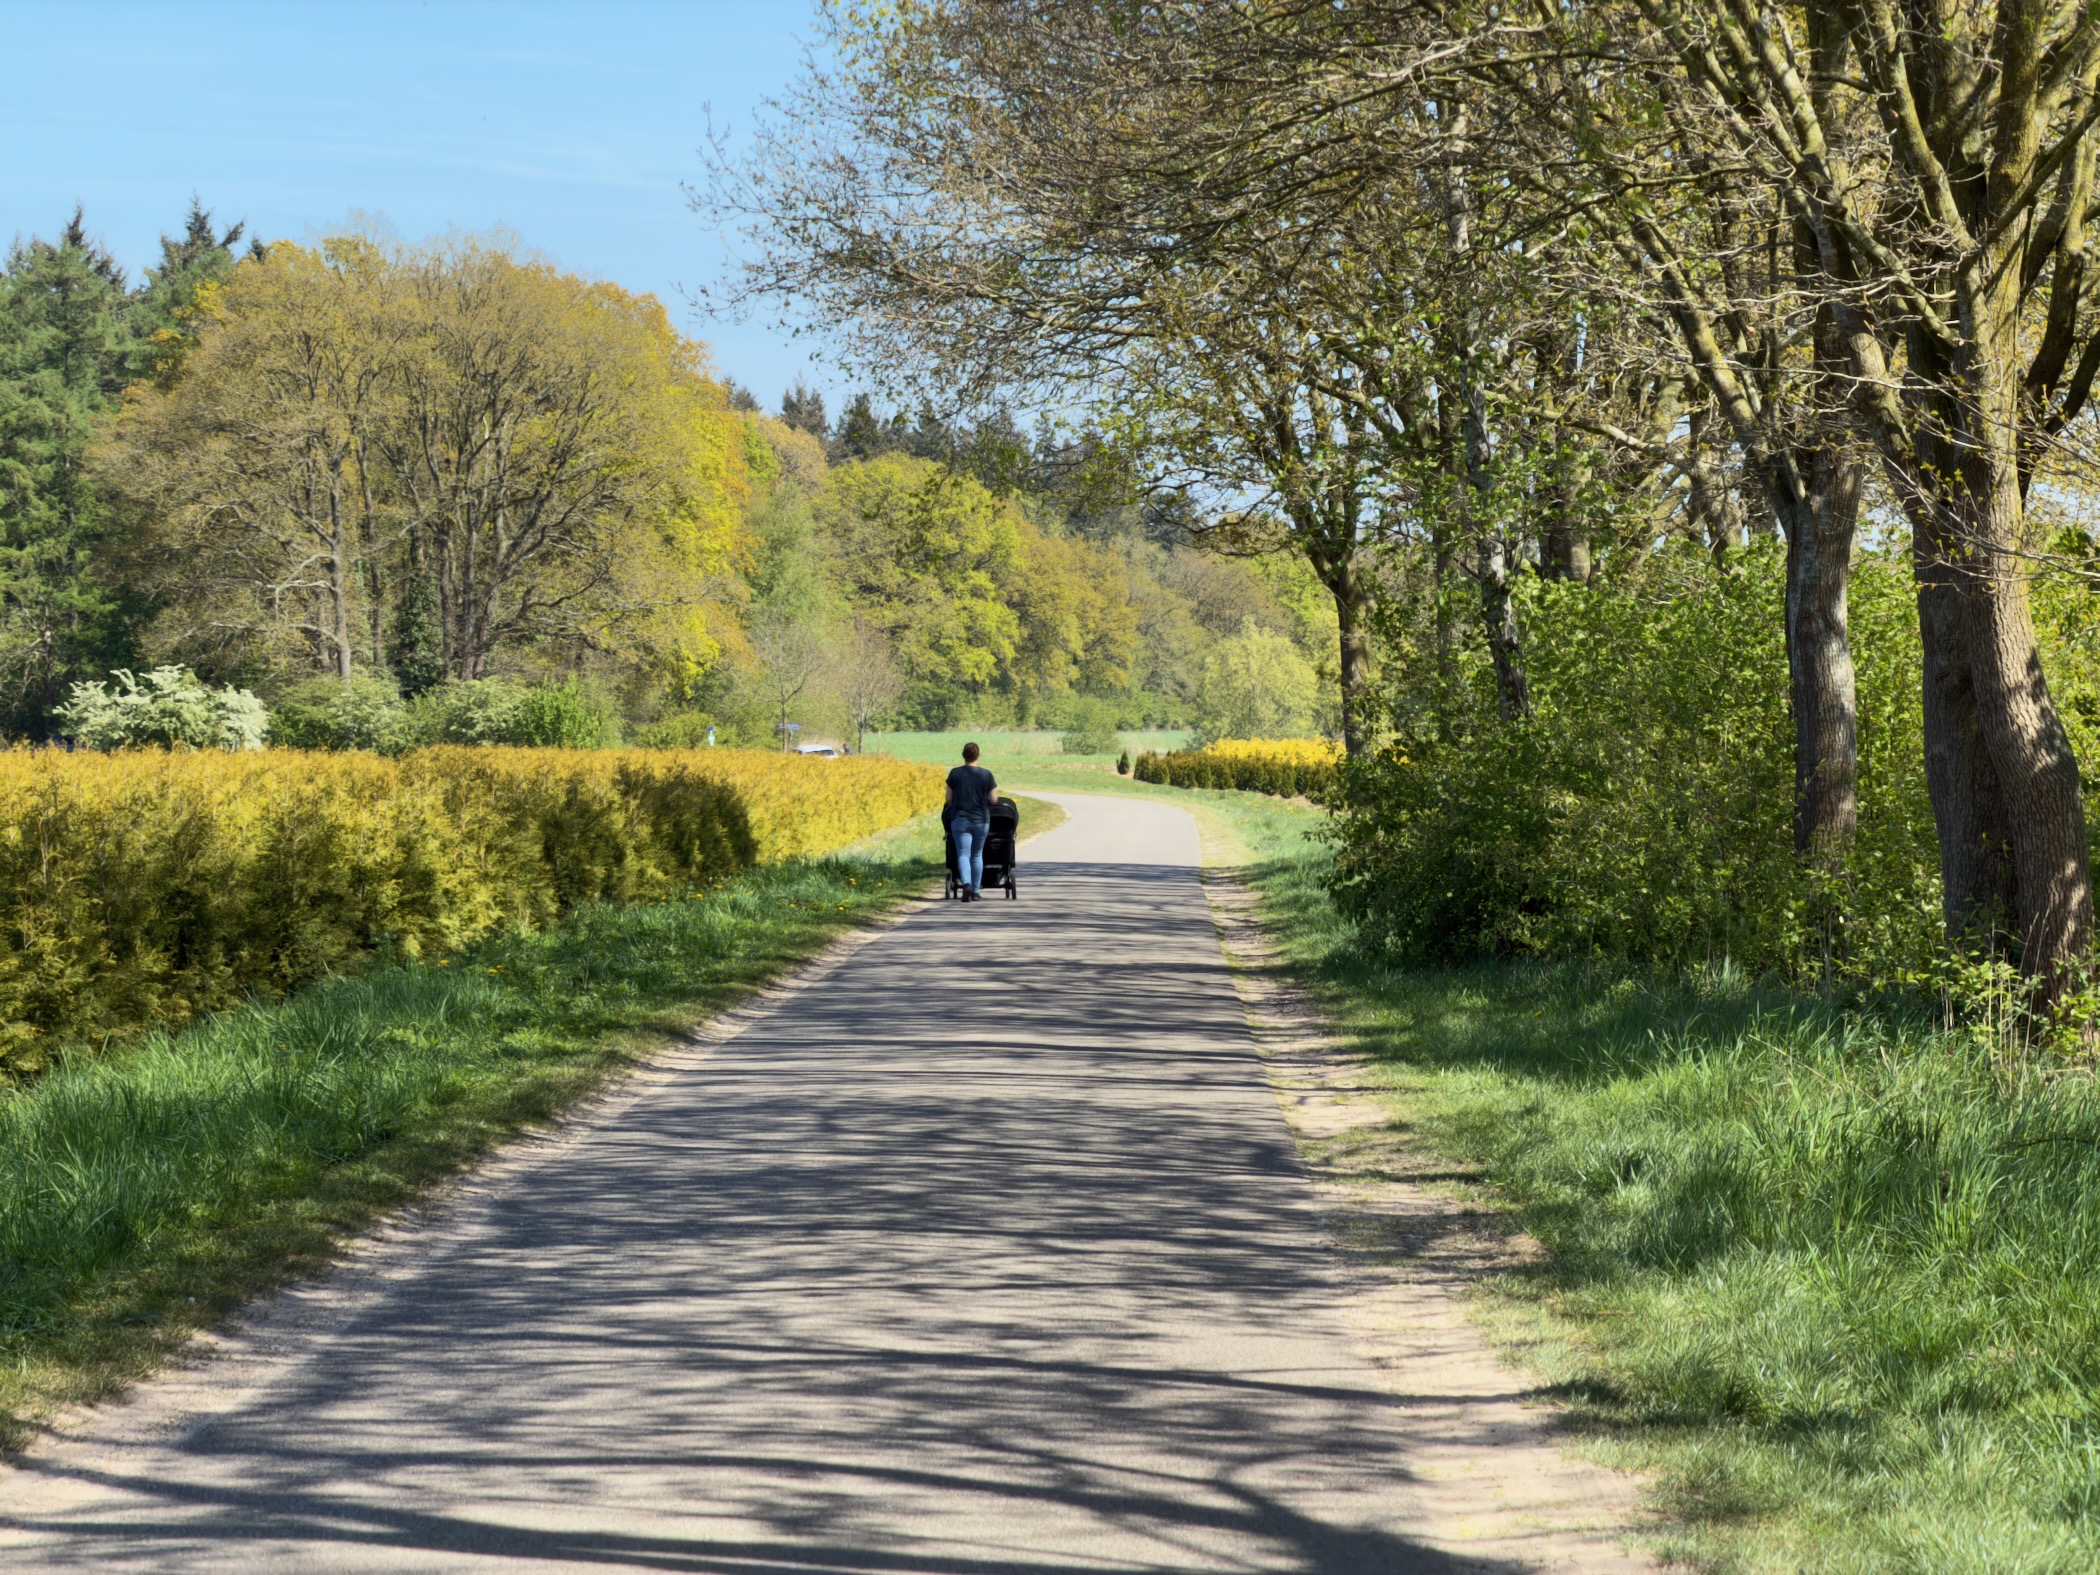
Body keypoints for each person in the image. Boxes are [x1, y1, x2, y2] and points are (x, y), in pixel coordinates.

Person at [944, 741, 1001, 902]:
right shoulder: (986, 775)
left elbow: (948, 799)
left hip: (960, 819)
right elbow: (994, 799)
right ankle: (975, 891)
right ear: (978, 755)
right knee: (977, 855)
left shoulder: (955, 774)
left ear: (964, 755)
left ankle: (966, 884)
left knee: (963, 853)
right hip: (981, 820)